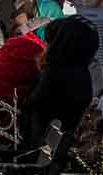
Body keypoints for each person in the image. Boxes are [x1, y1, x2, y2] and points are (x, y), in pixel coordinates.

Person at [22, 16, 99, 146]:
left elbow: (33, 104)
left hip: (45, 145)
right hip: (64, 142)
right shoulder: (84, 73)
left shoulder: (57, 72)